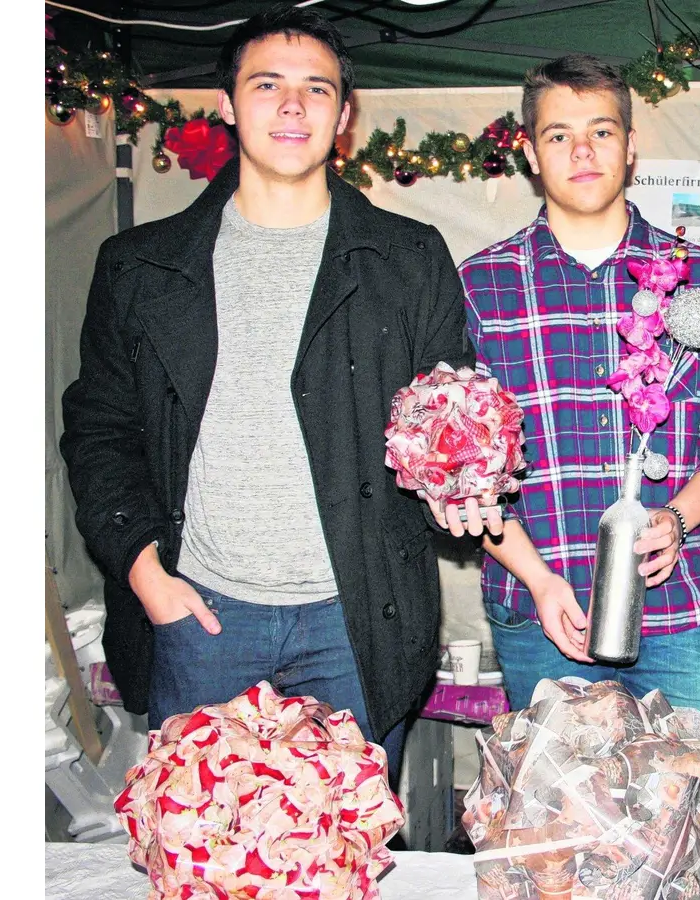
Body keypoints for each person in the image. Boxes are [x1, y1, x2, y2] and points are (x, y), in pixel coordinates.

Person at [59, 5, 495, 769]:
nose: (293, 106)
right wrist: (144, 573)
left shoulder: (406, 258)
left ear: (344, 114)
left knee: (348, 859)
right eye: (267, 85)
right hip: (202, 618)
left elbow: (454, 415)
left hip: (357, 622)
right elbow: (99, 430)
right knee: (207, 857)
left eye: (316, 89)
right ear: (226, 104)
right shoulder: (139, 266)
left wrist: (467, 483)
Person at [456, 54, 700, 767]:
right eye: (559, 135)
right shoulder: (481, 284)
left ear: (630, 146)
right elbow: (464, 469)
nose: (584, 151)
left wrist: (680, 516)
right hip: (540, 610)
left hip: (678, 614)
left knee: (680, 827)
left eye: (602, 130)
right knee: (555, 832)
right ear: (529, 152)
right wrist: (536, 577)